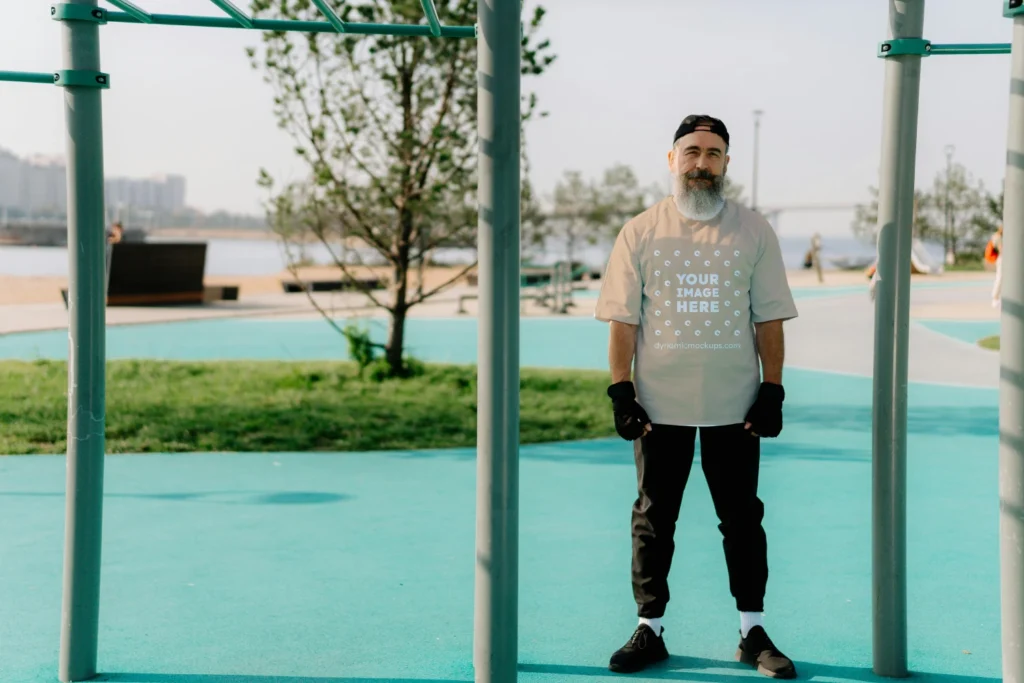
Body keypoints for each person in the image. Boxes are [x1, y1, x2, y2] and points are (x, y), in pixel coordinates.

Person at [594, 114, 799, 678]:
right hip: (660, 409)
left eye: (713, 153)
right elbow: (622, 320)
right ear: (671, 160)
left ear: (726, 161)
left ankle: (752, 631)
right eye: (691, 152)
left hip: (735, 408)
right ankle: (649, 629)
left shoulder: (754, 230)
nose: (702, 163)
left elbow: (770, 318)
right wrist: (621, 391)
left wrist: (772, 390)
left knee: (742, 520)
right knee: (654, 519)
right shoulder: (640, 231)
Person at [991, 225, 1003, 309]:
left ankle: (998, 298)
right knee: (1000, 278)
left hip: (1004, 259)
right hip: (1002, 259)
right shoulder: (997, 236)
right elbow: (1000, 249)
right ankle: (995, 298)